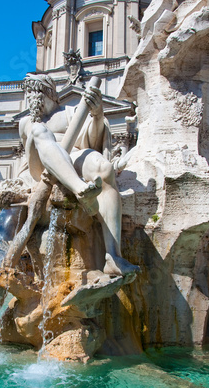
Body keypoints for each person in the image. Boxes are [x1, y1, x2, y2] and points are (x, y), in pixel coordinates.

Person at [18, 74, 139, 279]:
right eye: (28, 92)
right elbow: (29, 154)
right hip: (42, 166)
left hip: (72, 158)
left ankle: (113, 257)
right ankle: (80, 189)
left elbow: (92, 140)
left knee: (104, 168)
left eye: (37, 91)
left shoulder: (70, 113)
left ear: (51, 94)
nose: (32, 97)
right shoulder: (27, 122)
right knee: (39, 130)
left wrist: (98, 115)